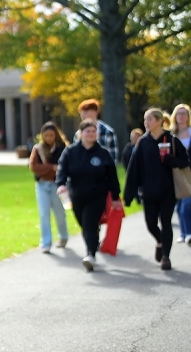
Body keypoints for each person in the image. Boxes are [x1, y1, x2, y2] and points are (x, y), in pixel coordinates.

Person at [124, 108, 190, 270]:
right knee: (151, 224)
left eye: (150, 119)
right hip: (148, 191)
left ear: (160, 121)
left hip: (168, 190)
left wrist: (171, 160)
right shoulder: (143, 142)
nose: (146, 123)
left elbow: (184, 161)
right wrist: (129, 193)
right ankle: (161, 242)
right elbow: (134, 168)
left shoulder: (171, 139)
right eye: (145, 120)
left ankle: (166, 257)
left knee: (166, 222)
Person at [57, 119, 121, 271]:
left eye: (94, 131)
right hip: (76, 195)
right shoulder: (70, 152)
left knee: (89, 224)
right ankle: (93, 243)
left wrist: (115, 197)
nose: (91, 134)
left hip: (97, 195)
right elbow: (62, 170)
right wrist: (61, 184)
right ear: (80, 133)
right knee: (85, 225)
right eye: (88, 131)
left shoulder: (103, 154)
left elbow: (112, 176)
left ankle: (90, 255)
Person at [29, 122, 70, 253]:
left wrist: (49, 170)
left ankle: (63, 237)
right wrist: (52, 168)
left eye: (51, 135)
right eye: (46, 135)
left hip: (58, 186)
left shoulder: (63, 148)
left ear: (56, 135)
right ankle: (46, 242)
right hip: (42, 185)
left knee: (60, 214)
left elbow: (64, 168)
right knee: (43, 214)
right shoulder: (38, 148)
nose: (49, 138)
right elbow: (34, 167)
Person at [165, 104, 191, 245]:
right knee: (179, 204)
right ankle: (183, 232)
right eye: (178, 113)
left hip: (189, 173)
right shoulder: (170, 136)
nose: (181, 116)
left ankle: (188, 233)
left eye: (184, 113)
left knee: (186, 204)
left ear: (188, 116)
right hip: (175, 173)